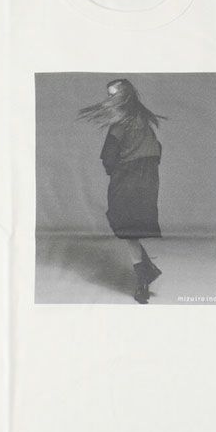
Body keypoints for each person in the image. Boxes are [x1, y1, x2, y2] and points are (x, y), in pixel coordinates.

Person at [78, 79, 165, 303]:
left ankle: (144, 278)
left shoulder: (120, 122)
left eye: (112, 95)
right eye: (108, 95)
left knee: (124, 225)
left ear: (124, 96)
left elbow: (109, 156)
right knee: (128, 228)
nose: (109, 99)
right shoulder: (142, 119)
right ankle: (146, 273)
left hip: (129, 177)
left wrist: (117, 170)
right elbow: (157, 148)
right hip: (147, 177)